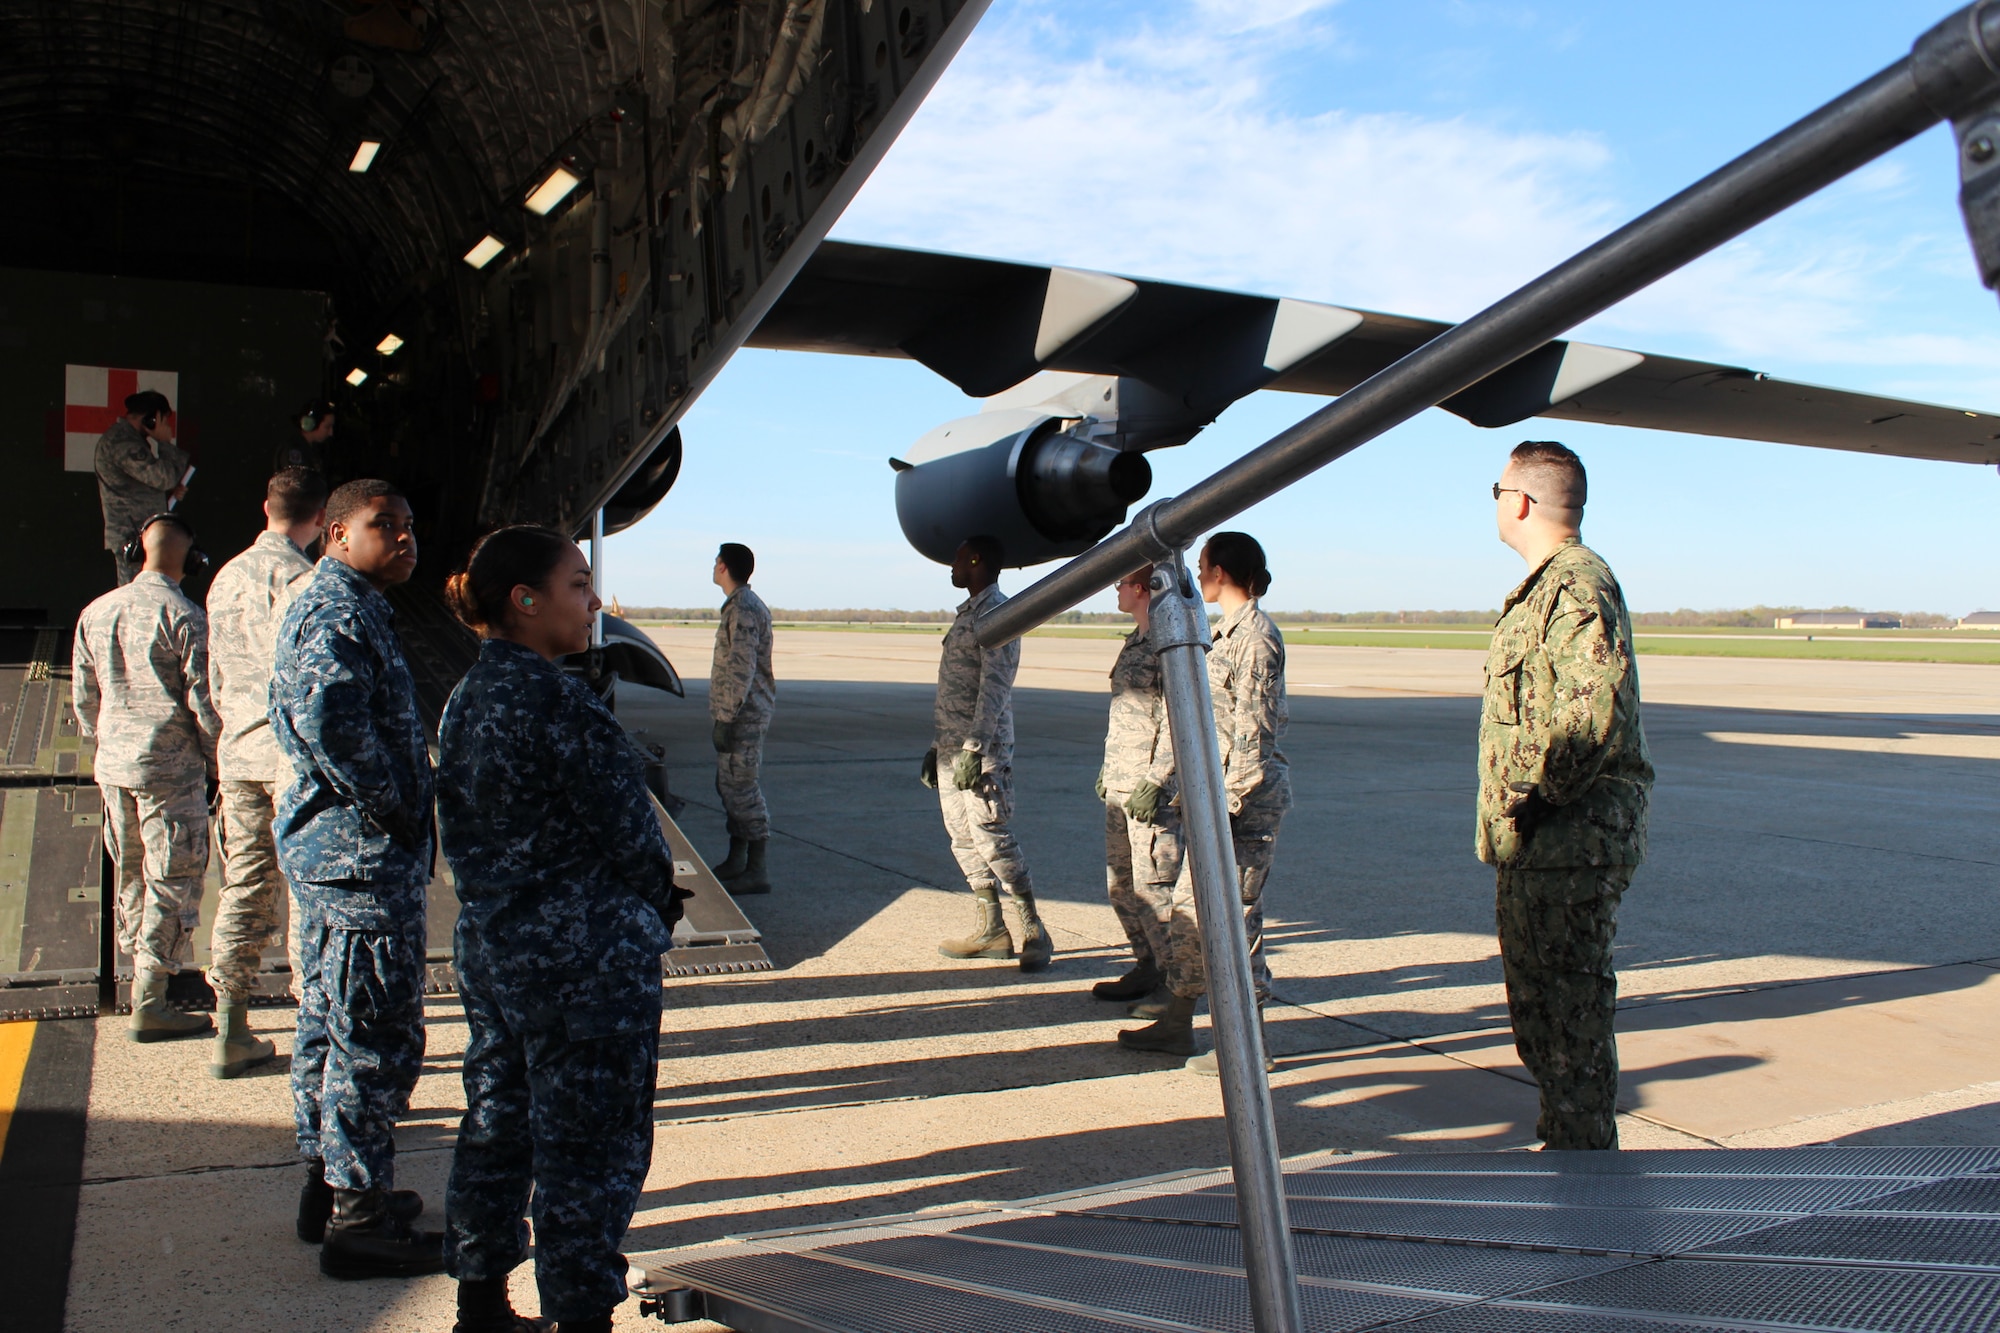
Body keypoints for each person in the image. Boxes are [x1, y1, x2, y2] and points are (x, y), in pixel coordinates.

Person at [438, 526, 687, 1333]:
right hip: (580, 966)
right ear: (526, 601)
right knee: (589, 1151)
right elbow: (631, 833)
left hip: (496, 951)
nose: (592, 603)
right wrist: (657, 904)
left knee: (498, 1124)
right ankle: (583, 1318)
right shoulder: (557, 701)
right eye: (578, 586)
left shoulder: (466, 697)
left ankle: (482, 1300)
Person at [270, 478, 440, 1277]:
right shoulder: (336, 609)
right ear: (337, 532)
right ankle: (359, 1217)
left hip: (340, 858)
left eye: (408, 526)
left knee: (329, 1023)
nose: (404, 538)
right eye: (385, 525)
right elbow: (331, 723)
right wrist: (399, 803)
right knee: (371, 1038)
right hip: (359, 861)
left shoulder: (352, 601)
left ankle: (330, 1183)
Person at [1480, 440, 1653, 1150]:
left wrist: (1543, 798)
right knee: (1541, 1013)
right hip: (1538, 842)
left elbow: (1590, 713)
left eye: (1496, 490)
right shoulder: (1546, 585)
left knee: (1569, 1013)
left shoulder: (1578, 585)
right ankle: (1568, 1141)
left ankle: (1585, 1164)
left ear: (1518, 500)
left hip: (1568, 840)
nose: (1495, 503)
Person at [1121, 532, 1289, 1072]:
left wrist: (1231, 803)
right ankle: (1178, 1021)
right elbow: (1198, 718)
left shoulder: (1256, 637)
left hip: (1244, 803)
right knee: (1197, 914)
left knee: (1237, 919)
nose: (1197, 573)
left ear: (1220, 573)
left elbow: (1254, 732)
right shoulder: (1223, 634)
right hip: (1219, 799)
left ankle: (1251, 1044)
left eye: (1202, 565)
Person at [71, 513, 219, 1043]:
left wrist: (109, 743)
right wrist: (216, 765)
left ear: (137, 550)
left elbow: (85, 702)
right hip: (169, 771)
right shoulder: (185, 615)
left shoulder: (96, 612)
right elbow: (204, 706)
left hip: (114, 766)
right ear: (191, 560)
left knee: (131, 872)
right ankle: (152, 1000)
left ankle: (140, 979)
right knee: (173, 877)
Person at [202, 467, 328, 1078]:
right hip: (287, 759)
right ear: (320, 518)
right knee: (305, 890)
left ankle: (230, 1024)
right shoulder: (304, 583)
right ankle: (314, 1026)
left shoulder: (224, 577)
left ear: (266, 507)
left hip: (237, 753)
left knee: (244, 885)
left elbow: (214, 677)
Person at [923, 536, 1051, 971]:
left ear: (976, 562)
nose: (952, 568)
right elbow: (957, 688)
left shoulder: (998, 614)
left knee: (991, 838)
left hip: (981, 752)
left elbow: (995, 686)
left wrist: (975, 748)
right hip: (952, 751)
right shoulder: (968, 615)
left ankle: (1033, 928)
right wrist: (937, 748)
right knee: (961, 838)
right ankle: (992, 930)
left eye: (957, 559)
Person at [1093, 565, 1181, 1003]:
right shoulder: (1134, 642)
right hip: (1122, 783)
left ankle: (1173, 982)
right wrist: (1109, 771)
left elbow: (1175, 719)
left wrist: (1157, 778)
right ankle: (1146, 965)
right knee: (1121, 886)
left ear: (1142, 589)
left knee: (1155, 889)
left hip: (1151, 791)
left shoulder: (1166, 644)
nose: (1117, 591)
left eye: (1121, 584)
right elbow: (1130, 716)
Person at [708, 542, 776, 895]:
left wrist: (726, 717)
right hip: (738, 714)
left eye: (716, 560)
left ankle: (756, 868)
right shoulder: (738, 606)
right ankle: (737, 860)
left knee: (742, 788)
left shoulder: (745, 609)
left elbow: (741, 669)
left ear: (724, 567)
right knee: (729, 786)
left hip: (743, 716)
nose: (714, 565)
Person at [95, 389, 190, 585]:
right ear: (152, 419)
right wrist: (165, 444)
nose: (166, 427)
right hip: (133, 537)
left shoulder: (131, 441)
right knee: (136, 601)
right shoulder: (122, 442)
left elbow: (140, 484)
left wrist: (166, 495)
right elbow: (163, 477)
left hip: (143, 535)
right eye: (163, 420)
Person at [278, 400, 337, 475]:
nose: (330, 433)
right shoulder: (292, 450)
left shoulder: (317, 450)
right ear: (310, 424)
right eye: (327, 427)